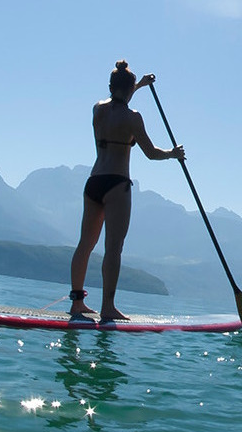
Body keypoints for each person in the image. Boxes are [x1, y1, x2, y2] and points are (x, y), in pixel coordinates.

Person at [69, 60, 185, 320]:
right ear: (130, 88)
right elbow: (152, 153)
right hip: (117, 184)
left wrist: (139, 85)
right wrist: (173, 154)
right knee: (113, 248)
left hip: (94, 182)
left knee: (86, 244)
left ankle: (77, 303)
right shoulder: (133, 118)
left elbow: (118, 98)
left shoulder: (97, 110)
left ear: (111, 86)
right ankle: (108, 307)